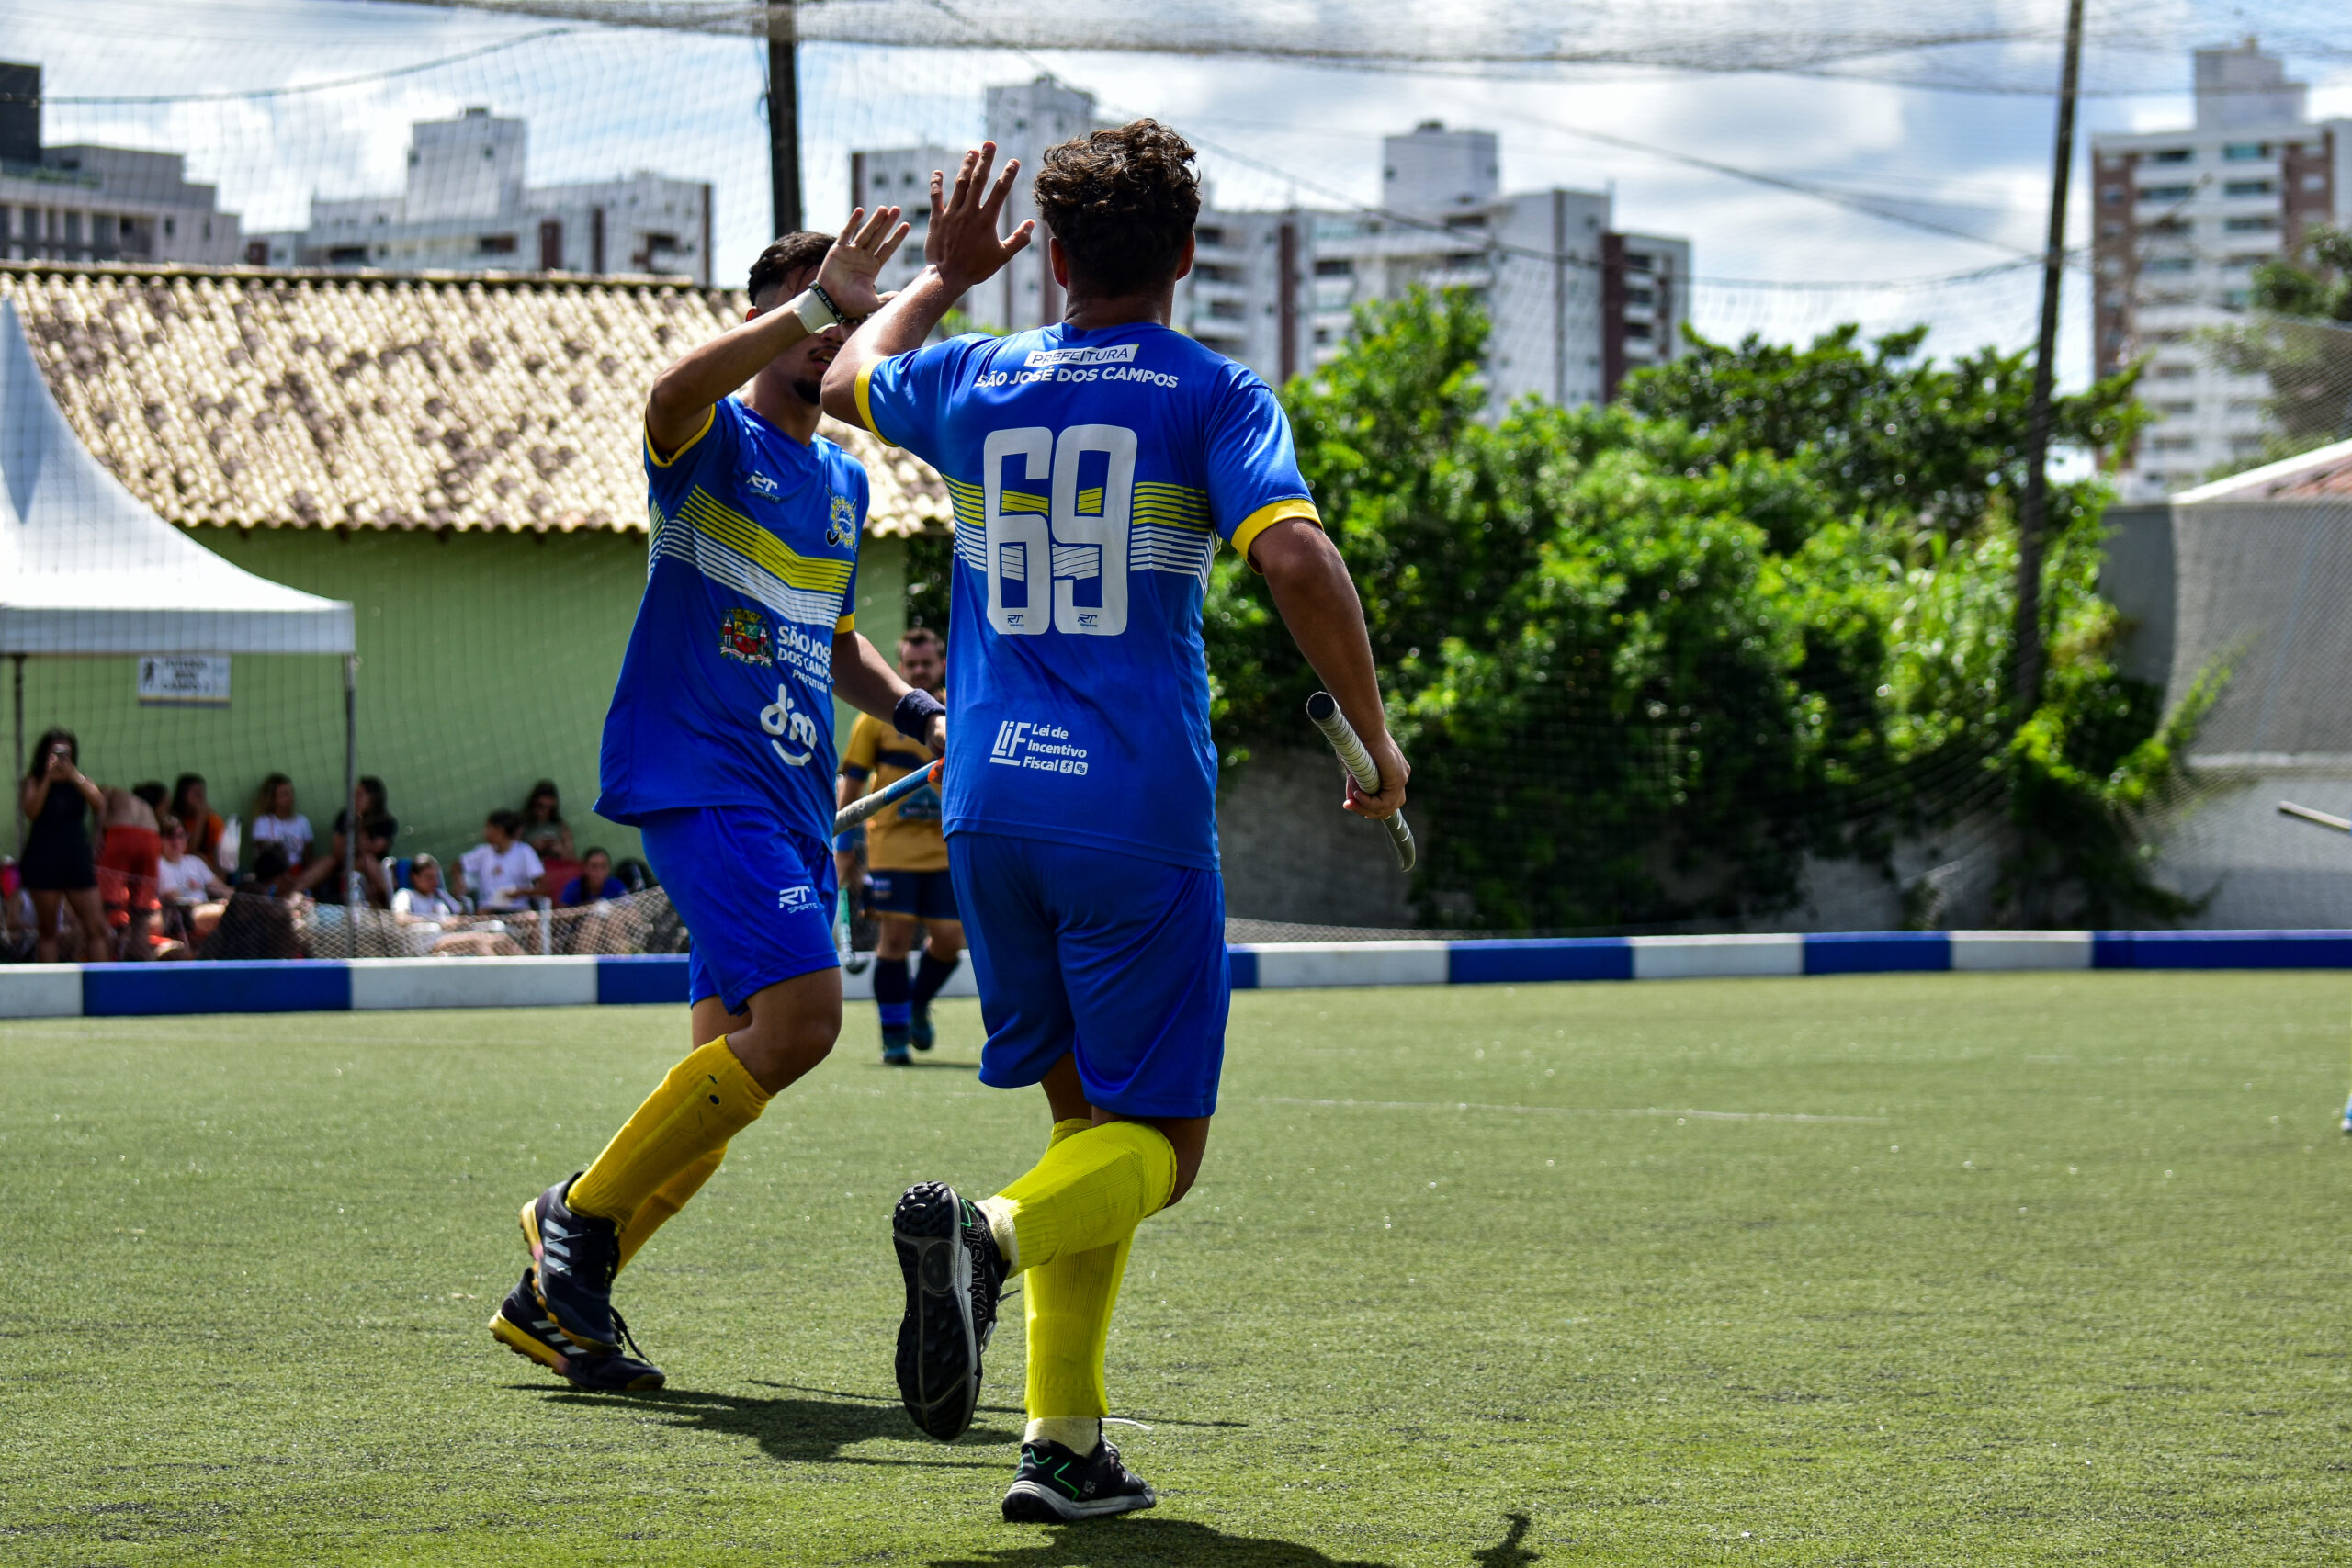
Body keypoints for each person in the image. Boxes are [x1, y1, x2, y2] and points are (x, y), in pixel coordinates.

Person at [823, 130, 1408, 1521]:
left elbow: (844, 376)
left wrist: (943, 278)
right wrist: (1376, 737)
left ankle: (1062, 1441)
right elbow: (1294, 552)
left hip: (987, 803)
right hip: (1130, 810)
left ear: (1057, 260)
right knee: (1164, 1151)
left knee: (1086, 1124)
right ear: (1188, 254)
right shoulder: (1214, 391)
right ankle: (987, 1238)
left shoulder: (976, 375)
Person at [489, 206, 949, 1398]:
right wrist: (811, 305)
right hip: (704, 778)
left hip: (788, 803)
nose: (833, 333)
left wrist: (919, 713)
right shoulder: (706, 438)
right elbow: (666, 391)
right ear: (767, 317)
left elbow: (829, 636)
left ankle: (555, 1307)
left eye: (850, 316)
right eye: (816, 310)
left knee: (719, 1096)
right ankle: (573, 1215)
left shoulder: (843, 483)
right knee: (803, 1023)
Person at [835, 626, 962, 1064]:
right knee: (895, 938)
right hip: (892, 849)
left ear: (942, 664)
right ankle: (894, 1039)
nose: (920, 671)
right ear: (900, 666)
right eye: (912, 664)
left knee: (949, 940)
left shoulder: (960, 712)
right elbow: (851, 785)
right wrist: (843, 846)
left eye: (927, 663)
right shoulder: (876, 718)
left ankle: (916, 1003)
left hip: (946, 849)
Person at [18, 728, 107, 963]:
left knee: (96, 928)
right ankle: (49, 985)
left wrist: (73, 775)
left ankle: (101, 982)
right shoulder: (34, 781)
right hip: (43, 860)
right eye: (55, 753)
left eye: (65, 753)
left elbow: (99, 804)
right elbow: (31, 811)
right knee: (48, 930)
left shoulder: (80, 780)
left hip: (76, 860)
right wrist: (48, 778)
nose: (61, 758)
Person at [300, 775, 396, 906]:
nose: (355, 797)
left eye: (360, 794)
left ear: (373, 798)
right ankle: (291, 894)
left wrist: (360, 821)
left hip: (371, 869)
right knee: (327, 861)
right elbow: (337, 850)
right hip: (344, 865)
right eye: (355, 793)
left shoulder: (386, 821)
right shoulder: (345, 816)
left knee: (368, 860)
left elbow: (375, 849)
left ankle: (392, 903)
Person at [198, 845, 303, 961]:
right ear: (280, 877)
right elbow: (274, 915)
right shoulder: (254, 892)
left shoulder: (256, 889)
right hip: (242, 954)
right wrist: (292, 904)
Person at [97, 784, 165, 957]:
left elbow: (99, 809)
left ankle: (102, 961)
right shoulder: (147, 810)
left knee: (103, 908)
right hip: (151, 838)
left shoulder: (111, 791)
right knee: (140, 913)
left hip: (121, 834)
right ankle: (141, 961)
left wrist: (97, 837)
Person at [459, 810, 545, 914]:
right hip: (488, 908)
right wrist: (459, 883)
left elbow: (544, 888)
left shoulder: (525, 852)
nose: (485, 833)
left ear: (500, 831)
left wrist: (519, 892)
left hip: (518, 908)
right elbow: (457, 865)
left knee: (530, 917)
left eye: (489, 828)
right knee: (480, 916)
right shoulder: (483, 852)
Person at [248, 774, 311, 874]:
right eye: (285, 794)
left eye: (291, 792)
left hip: (297, 871)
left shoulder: (302, 821)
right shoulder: (263, 822)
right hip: (273, 872)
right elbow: (264, 854)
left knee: (327, 861)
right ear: (273, 799)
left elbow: (308, 857)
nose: (291, 797)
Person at [169, 774, 228, 874]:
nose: (201, 798)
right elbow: (189, 851)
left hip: (211, 872)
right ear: (182, 796)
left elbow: (222, 859)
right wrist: (200, 818)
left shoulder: (213, 821)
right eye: (196, 793)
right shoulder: (174, 820)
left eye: (203, 793)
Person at [517, 781, 576, 864]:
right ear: (533, 804)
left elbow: (572, 859)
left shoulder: (561, 827)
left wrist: (560, 850)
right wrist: (532, 847)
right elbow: (512, 854)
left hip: (555, 867)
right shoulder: (522, 824)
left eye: (550, 808)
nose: (545, 811)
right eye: (541, 806)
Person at [557, 847, 627, 908]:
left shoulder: (617, 885)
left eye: (604, 866)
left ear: (609, 869)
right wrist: (588, 907)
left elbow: (630, 907)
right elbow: (562, 914)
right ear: (585, 868)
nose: (599, 872)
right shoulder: (573, 887)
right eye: (594, 867)